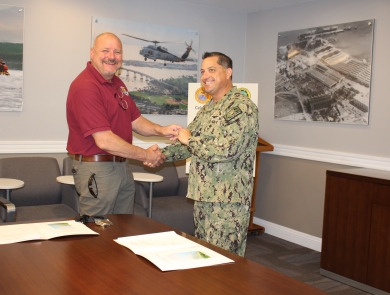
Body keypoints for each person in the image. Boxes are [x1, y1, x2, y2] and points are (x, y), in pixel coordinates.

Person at [66, 32, 180, 218]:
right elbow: (104, 141)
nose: (112, 56)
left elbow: (135, 120)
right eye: (105, 50)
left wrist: (162, 130)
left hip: (121, 166)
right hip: (98, 170)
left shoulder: (117, 83)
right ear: (92, 53)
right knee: (98, 234)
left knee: (123, 228)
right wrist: (145, 155)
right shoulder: (86, 86)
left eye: (117, 52)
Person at [161, 52, 259, 256]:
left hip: (226, 202)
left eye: (212, 70)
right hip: (203, 197)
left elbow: (226, 149)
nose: (205, 76)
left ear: (228, 72)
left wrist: (189, 139)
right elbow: (189, 145)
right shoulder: (207, 109)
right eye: (203, 71)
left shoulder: (241, 106)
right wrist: (158, 155)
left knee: (224, 260)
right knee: (205, 256)